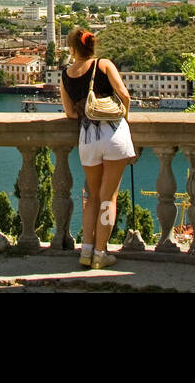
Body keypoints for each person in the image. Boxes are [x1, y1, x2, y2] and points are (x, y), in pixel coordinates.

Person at [58, 26, 134, 269]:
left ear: (72, 49)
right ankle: (101, 253)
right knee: (107, 198)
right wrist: (126, 117)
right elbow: (124, 95)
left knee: (91, 197)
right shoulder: (104, 65)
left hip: (87, 138)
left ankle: (86, 250)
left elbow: (70, 112)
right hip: (113, 135)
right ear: (92, 45)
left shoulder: (65, 74)